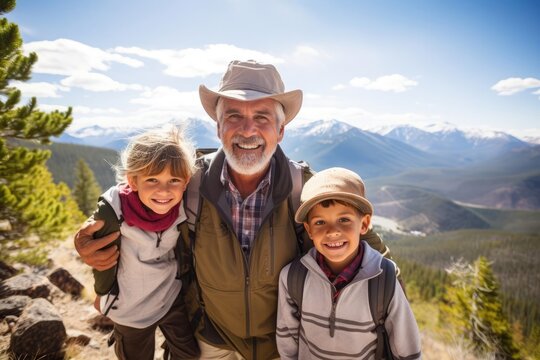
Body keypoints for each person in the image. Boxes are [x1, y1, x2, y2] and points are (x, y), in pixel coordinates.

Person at [74, 60, 393, 360]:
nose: (247, 130)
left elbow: (376, 259)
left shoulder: (303, 189)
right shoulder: (186, 184)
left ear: (281, 132)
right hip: (209, 339)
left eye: (263, 117)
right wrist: (91, 237)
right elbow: (128, 195)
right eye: (234, 116)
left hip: (284, 344)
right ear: (218, 127)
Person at [276, 167, 421, 359]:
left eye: (344, 219)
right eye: (320, 222)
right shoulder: (293, 277)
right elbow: (288, 343)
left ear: (364, 224)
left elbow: (407, 349)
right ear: (308, 230)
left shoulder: (384, 278)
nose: (332, 231)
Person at [88, 126, 200, 360]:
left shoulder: (180, 207)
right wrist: (101, 292)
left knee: (189, 354)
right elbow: (96, 244)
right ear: (133, 181)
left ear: (186, 181)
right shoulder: (115, 211)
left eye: (174, 180)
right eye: (152, 179)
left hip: (169, 297)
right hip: (130, 308)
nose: (164, 190)